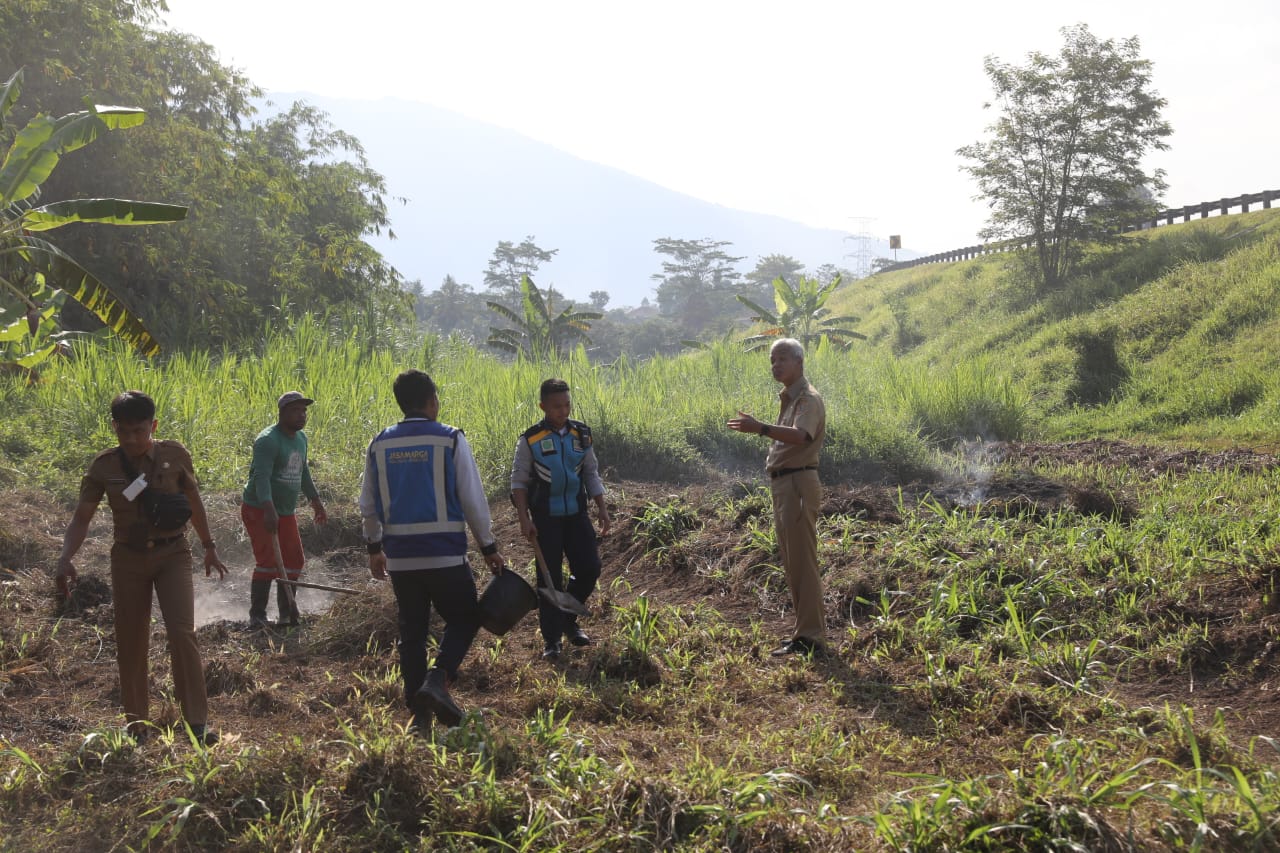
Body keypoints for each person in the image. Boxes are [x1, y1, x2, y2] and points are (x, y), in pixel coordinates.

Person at [55, 390, 227, 743]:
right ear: (114, 427)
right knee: (131, 640)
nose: (132, 439)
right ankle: (137, 726)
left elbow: (194, 502)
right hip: (128, 560)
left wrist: (209, 547)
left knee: (182, 633)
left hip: (173, 554)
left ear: (154, 425)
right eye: (124, 431)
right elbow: (82, 518)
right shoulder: (104, 466)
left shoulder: (175, 456)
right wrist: (65, 557)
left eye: (139, 430)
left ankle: (196, 723)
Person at [360, 369, 505, 730]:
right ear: (431, 400)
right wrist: (488, 546)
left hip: (402, 559)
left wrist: (374, 547)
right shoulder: (450, 439)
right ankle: (438, 680)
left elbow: (368, 503)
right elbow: (473, 500)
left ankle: (419, 712)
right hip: (444, 554)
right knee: (466, 617)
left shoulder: (380, 443)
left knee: (412, 632)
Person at [727, 338, 827, 656]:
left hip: (798, 484)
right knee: (792, 561)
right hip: (785, 485)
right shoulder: (790, 399)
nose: (776, 365)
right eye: (772, 360)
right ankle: (803, 633)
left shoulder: (807, 400)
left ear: (799, 362)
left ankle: (812, 636)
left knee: (803, 562)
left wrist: (760, 429)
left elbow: (801, 437)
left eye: (782, 358)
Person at [510, 378, 611, 660]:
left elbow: (591, 473)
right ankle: (551, 640)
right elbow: (518, 482)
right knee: (549, 580)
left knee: (590, 568)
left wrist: (601, 507)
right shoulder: (530, 439)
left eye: (567, 405)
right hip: (545, 519)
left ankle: (567, 618)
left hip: (577, 515)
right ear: (543, 406)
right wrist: (523, 519)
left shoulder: (582, 434)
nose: (563, 411)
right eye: (556, 407)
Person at [241, 391, 328, 629]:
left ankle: (286, 613)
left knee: (294, 560)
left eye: (304, 411)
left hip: (285, 510)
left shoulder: (301, 439)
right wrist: (268, 509)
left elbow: (303, 472)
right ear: (281, 413)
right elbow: (261, 477)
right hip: (259, 507)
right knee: (268, 561)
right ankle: (257, 615)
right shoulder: (268, 440)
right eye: (295, 411)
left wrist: (316, 501)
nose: (301, 416)